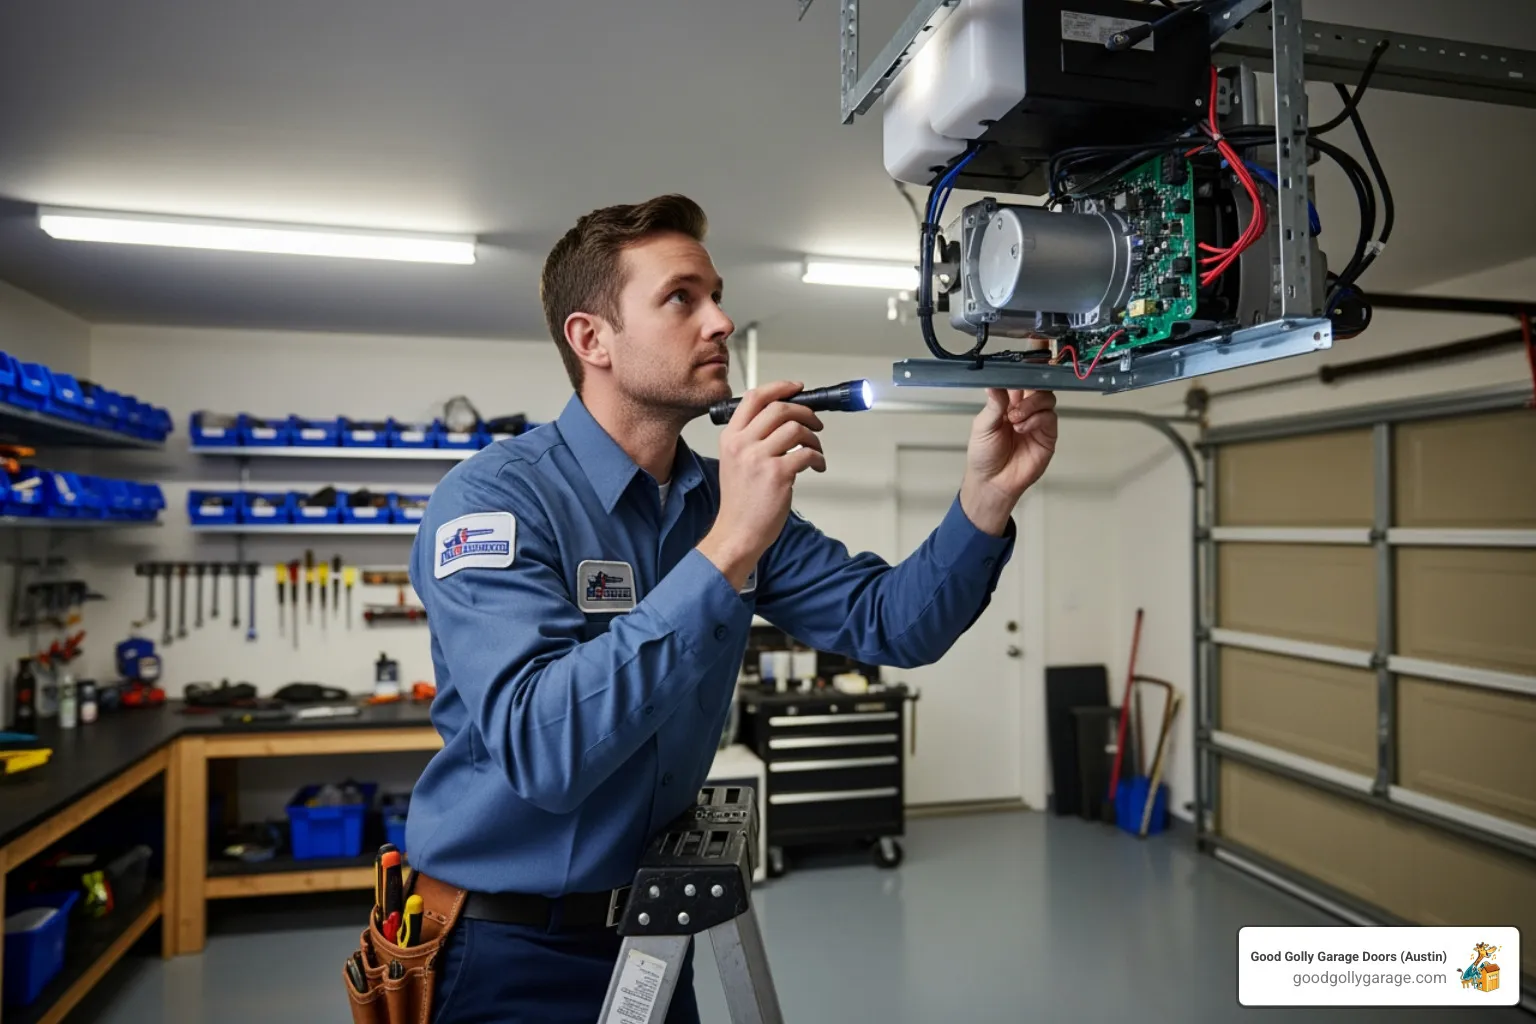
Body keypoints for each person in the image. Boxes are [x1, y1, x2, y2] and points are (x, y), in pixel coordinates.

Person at [405, 194, 1058, 1023]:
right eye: (682, 297)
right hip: (506, 951)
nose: (720, 320)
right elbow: (545, 752)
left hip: (649, 939)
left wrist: (985, 498)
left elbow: (897, 621)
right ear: (590, 339)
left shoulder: (724, 498)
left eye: (716, 293)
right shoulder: (494, 500)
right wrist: (727, 550)